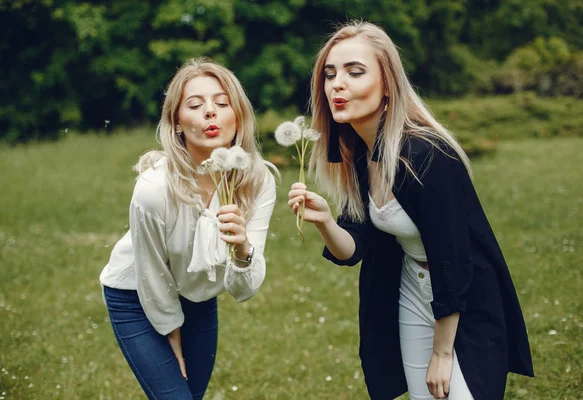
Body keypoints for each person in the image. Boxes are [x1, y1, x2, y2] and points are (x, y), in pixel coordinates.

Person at [287, 22, 533, 400]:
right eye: (330, 74)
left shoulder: (427, 154)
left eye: (355, 72)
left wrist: (442, 351)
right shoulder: (360, 153)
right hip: (410, 289)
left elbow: (453, 257)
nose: (337, 84)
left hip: (461, 298)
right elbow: (355, 247)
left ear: (387, 83)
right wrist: (323, 222)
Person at [100, 57, 277, 400]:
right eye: (195, 105)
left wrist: (242, 250)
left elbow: (243, 289)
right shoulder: (153, 189)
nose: (210, 112)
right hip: (136, 296)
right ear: (177, 123)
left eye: (222, 103)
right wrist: (172, 333)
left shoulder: (257, 180)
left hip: (198, 295)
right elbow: (153, 273)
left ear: (237, 116)